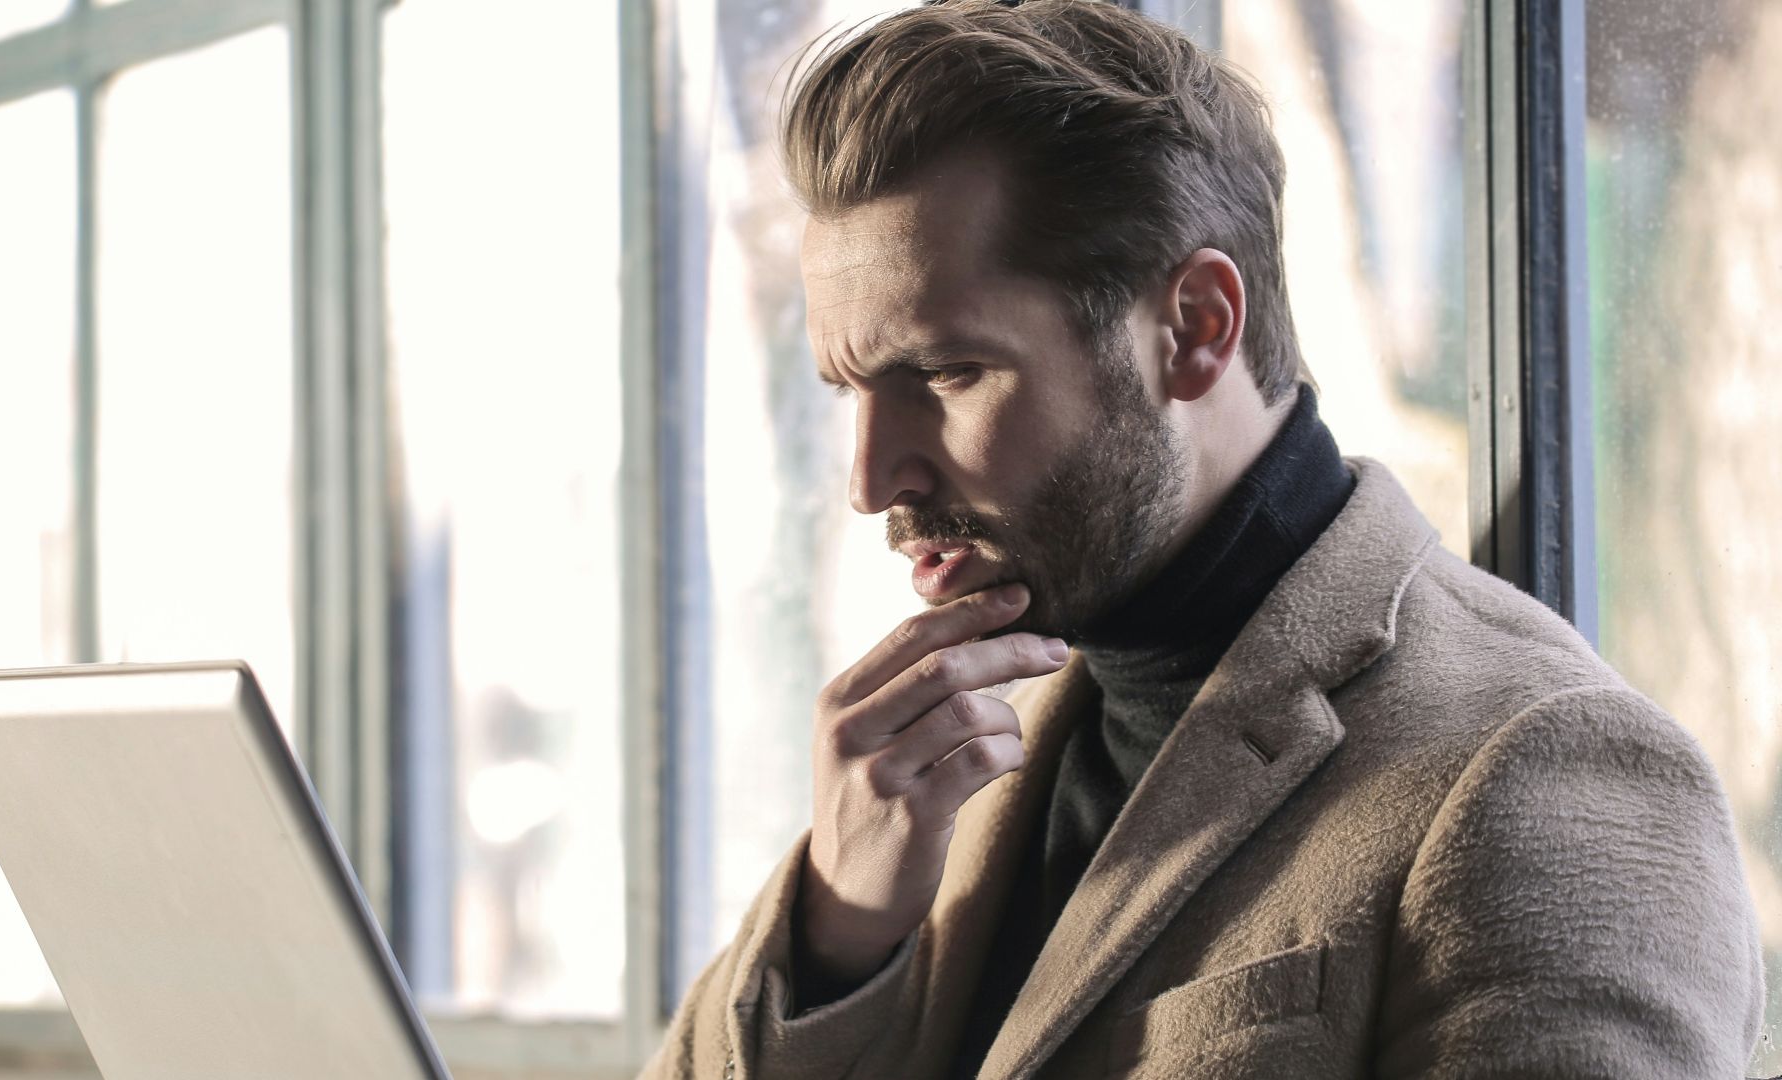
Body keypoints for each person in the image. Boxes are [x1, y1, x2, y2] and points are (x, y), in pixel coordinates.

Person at [641, 2, 1765, 1077]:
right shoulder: (946, 765)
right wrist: (841, 936)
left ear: (1195, 328)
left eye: (945, 373)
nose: (872, 476)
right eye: (850, 390)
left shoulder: (1545, 773)